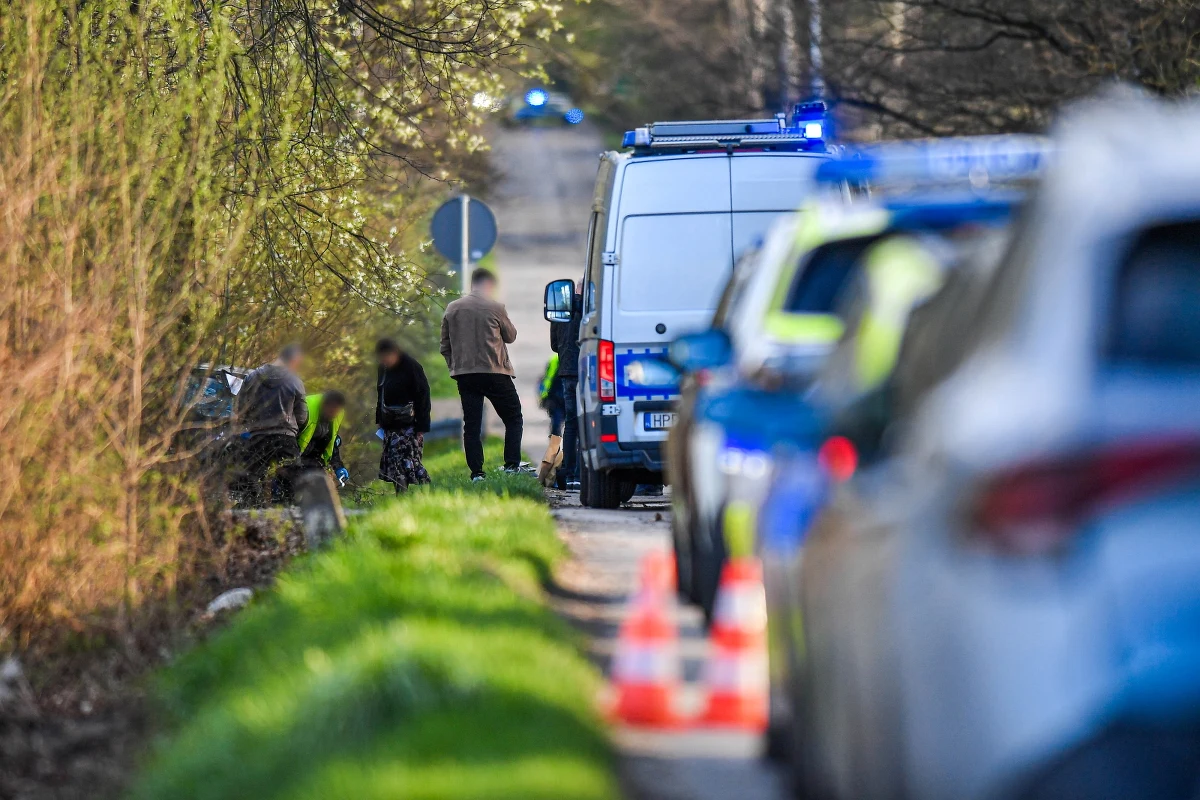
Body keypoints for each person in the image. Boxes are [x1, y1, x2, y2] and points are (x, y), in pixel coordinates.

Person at [439, 268, 525, 480]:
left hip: (466, 375)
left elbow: (444, 346)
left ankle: (477, 473)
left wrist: (455, 368)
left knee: (472, 425)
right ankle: (511, 466)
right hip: (495, 371)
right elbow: (511, 336)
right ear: (488, 284)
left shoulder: (452, 309)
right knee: (514, 417)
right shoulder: (495, 307)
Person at [235, 343, 308, 504]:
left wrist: (251, 426)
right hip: (285, 440)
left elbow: (240, 410)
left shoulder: (252, 377)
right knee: (291, 489)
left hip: (257, 439)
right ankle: (288, 522)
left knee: (252, 486)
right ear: (294, 360)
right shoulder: (295, 381)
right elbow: (302, 416)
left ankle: (251, 522)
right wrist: (295, 430)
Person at [376, 338, 431, 493]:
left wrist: (422, 426)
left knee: (410, 461)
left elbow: (424, 396)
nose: (385, 360)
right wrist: (379, 419)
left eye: (387, 357)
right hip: (389, 423)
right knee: (394, 463)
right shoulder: (383, 369)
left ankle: (426, 489)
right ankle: (402, 494)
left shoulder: (412, 367)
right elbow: (380, 393)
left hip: (410, 424)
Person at [551, 286, 582, 490]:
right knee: (588, 422)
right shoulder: (590, 309)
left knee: (571, 424)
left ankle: (571, 476)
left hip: (566, 372)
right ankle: (582, 472)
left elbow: (554, 345)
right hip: (585, 371)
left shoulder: (561, 312)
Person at [297, 390, 350, 487]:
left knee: (321, 487)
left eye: (336, 412)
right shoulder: (305, 409)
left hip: (313, 460)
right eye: (331, 411)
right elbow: (288, 437)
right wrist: (288, 464)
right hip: (295, 457)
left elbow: (332, 443)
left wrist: (338, 466)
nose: (333, 415)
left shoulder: (337, 414)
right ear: (324, 405)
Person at [539, 353, 564, 436]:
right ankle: (555, 448)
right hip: (557, 397)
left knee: (556, 425)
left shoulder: (554, 359)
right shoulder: (555, 360)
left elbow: (546, 379)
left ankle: (554, 448)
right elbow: (547, 379)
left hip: (556, 396)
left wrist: (543, 396)